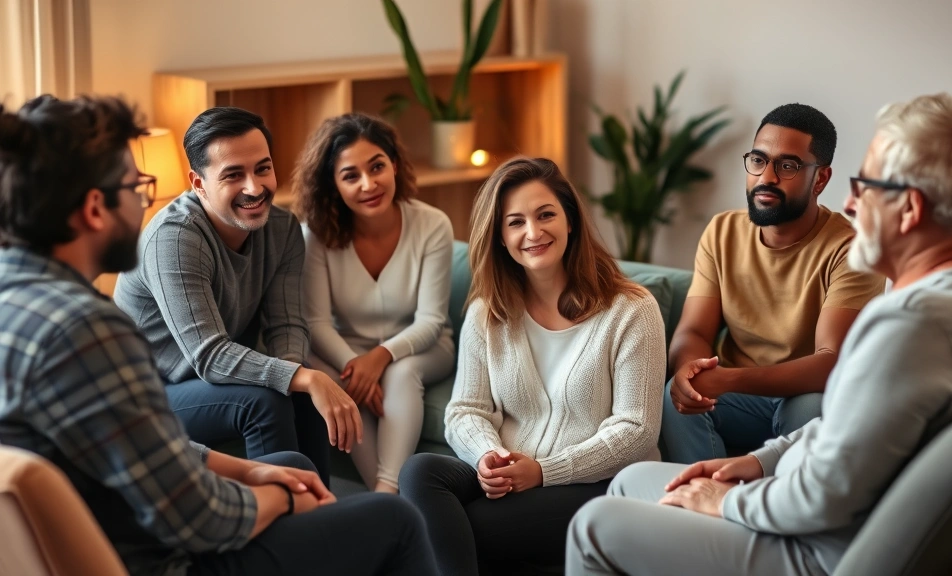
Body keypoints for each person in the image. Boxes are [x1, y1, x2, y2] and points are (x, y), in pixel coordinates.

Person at [566, 93, 952, 576]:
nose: (850, 201)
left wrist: (724, 502)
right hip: (829, 516)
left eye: (864, 185)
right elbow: (861, 428)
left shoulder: (911, 328)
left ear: (908, 209)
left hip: (817, 549)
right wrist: (761, 462)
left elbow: (817, 499)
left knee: (595, 522)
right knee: (636, 478)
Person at [0, 94, 437, 576]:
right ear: (96, 208)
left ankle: (322, 530)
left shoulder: (21, 303)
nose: (144, 201)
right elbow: (201, 518)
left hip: (132, 528)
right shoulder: (90, 328)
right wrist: (281, 498)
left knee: (291, 445)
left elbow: (137, 442)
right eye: (137, 186)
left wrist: (251, 469)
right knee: (392, 516)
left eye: (263, 168)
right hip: (166, 557)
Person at [398, 157, 666, 575]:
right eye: (516, 222)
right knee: (420, 472)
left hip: (597, 482)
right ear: (500, 237)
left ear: (571, 220)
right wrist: (490, 456)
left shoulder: (632, 309)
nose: (533, 233)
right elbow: (465, 410)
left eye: (546, 215)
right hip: (511, 471)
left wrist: (543, 472)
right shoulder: (488, 312)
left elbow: (636, 428)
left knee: (460, 527)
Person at [114, 106, 359, 486]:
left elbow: (287, 325)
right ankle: (279, 529)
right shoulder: (175, 238)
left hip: (211, 381)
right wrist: (303, 378)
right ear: (198, 184)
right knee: (265, 401)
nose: (254, 187)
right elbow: (209, 355)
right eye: (233, 175)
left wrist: (297, 378)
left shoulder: (282, 228)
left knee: (300, 396)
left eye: (262, 168)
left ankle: (318, 516)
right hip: (145, 394)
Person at [662, 103, 885, 464]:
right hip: (740, 404)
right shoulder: (722, 232)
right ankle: (704, 497)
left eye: (788, 166)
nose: (767, 177)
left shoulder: (854, 249)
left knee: (810, 408)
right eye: (758, 160)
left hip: (806, 395)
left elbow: (831, 363)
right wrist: (692, 373)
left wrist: (730, 379)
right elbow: (693, 331)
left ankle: (774, 512)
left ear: (821, 179)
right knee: (676, 395)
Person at [294, 113, 455, 494]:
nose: (369, 184)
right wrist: (355, 366)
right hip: (349, 351)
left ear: (395, 164)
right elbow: (315, 323)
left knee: (401, 373)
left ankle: (386, 490)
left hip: (425, 348)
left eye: (377, 166)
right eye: (350, 175)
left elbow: (431, 321)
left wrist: (379, 358)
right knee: (329, 379)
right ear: (332, 184)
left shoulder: (433, 225)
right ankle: (392, 500)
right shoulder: (315, 236)